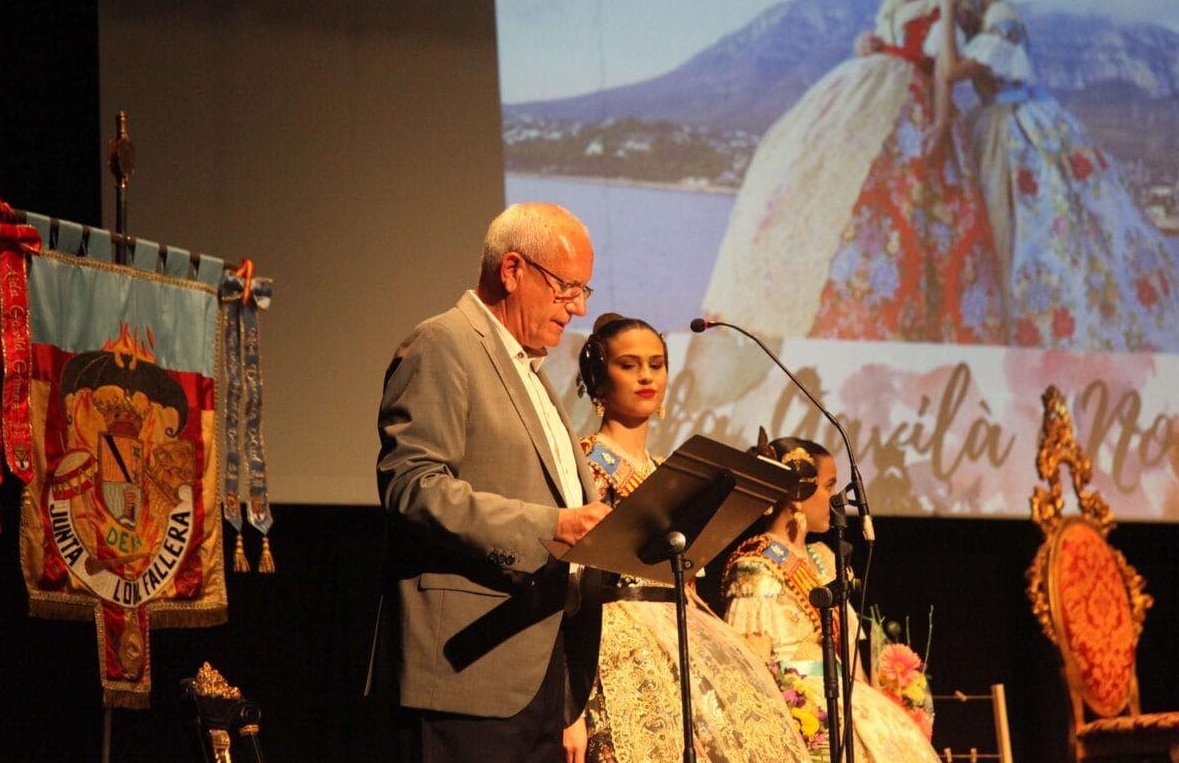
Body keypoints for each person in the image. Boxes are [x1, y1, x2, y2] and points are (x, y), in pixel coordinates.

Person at [371, 202, 612, 763]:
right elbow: (414, 485)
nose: (577, 308)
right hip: (467, 672)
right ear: (512, 271)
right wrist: (551, 525)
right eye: (567, 288)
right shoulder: (442, 344)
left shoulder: (530, 369)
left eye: (585, 292)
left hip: (541, 673)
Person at [701, 0, 1004, 346]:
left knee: (906, 204)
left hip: (917, 98)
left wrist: (941, 123)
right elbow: (895, 36)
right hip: (877, 88)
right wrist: (872, 42)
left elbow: (943, 62)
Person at [937, 0, 1179, 352]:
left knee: (1022, 234)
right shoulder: (988, 17)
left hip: (1012, 128)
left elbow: (952, 73)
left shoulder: (1003, 19)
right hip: (998, 120)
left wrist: (949, 12)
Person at [571, 313, 812, 763]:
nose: (646, 375)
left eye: (656, 364)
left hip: (685, 628)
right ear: (599, 378)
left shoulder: (668, 469)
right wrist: (572, 701)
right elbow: (574, 574)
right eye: (629, 365)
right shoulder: (585, 460)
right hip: (614, 640)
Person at [723, 437, 942, 763]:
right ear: (798, 494)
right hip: (803, 715)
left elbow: (849, 652)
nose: (835, 498)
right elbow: (750, 668)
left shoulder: (824, 557)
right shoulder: (755, 566)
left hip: (848, 700)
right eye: (828, 486)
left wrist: (876, 703)